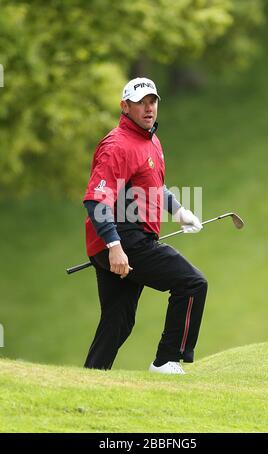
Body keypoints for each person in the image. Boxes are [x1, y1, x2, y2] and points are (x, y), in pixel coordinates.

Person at [83, 77, 208, 374]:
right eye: (140, 102)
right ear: (125, 107)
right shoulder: (117, 145)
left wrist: (179, 212)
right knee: (192, 283)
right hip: (124, 238)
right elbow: (95, 200)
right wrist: (115, 247)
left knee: (118, 321)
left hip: (119, 241)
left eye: (152, 101)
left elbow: (153, 186)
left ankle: (89, 378)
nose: (148, 107)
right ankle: (166, 360)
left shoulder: (150, 140)